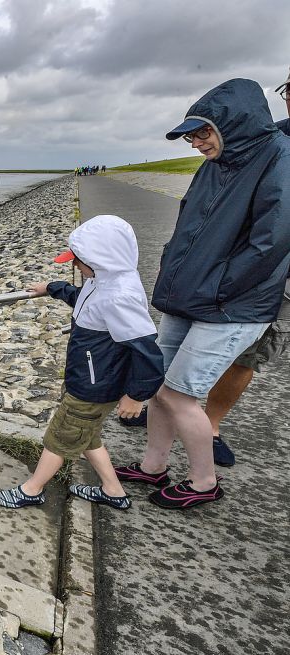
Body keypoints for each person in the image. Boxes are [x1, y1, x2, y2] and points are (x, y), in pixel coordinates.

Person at [117, 79, 290, 509]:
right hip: (189, 296)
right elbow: (187, 225)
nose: (195, 143)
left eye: (202, 133)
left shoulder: (279, 158)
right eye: (191, 135)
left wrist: (217, 287)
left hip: (232, 306)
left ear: (233, 124)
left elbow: (271, 242)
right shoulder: (215, 164)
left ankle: (202, 482)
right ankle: (154, 466)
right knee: (158, 384)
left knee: (179, 394)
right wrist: (173, 270)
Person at [0, 216, 164, 510]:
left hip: (93, 386)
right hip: (90, 378)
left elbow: (148, 351)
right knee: (87, 435)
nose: (74, 266)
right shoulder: (105, 280)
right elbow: (83, 299)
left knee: (60, 437)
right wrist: (52, 287)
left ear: (100, 259)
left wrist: (136, 395)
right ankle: (113, 491)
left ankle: (31, 490)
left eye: (79, 260)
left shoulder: (118, 296)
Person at [203, 69, 290, 467]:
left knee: (249, 354)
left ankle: (210, 425)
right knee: (201, 334)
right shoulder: (270, 138)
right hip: (238, 260)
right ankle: (175, 405)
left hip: (284, 279)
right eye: (289, 89)